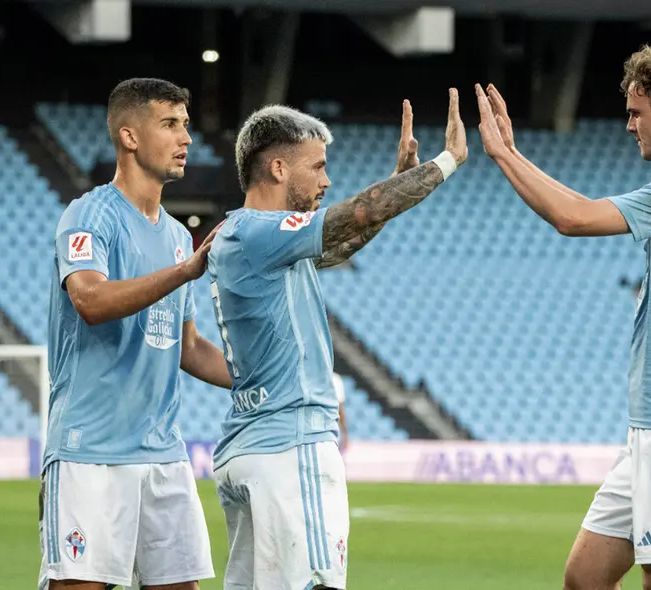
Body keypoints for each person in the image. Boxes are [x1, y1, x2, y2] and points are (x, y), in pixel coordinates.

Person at [475, 44, 651, 589]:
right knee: (585, 577)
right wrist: (514, 155)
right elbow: (576, 211)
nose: (628, 125)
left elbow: (573, 218)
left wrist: (504, 154)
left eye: (636, 111)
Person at [208, 91, 467, 589]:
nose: (327, 180)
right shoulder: (262, 232)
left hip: (250, 448)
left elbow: (345, 239)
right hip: (292, 442)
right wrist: (446, 162)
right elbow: (360, 214)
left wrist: (398, 186)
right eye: (319, 166)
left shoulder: (246, 237)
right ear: (279, 168)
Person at [39, 78, 232, 590]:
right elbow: (90, 300)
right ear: (129, 136)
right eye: (169, 124)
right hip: (91, 452)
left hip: (164, 454)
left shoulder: (173, 234)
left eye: (186, 125)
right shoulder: (89, 214)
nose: (185, 137)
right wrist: (184, 273)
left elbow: (188, 347)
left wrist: (264, 377)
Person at [332, 373, 348, 452]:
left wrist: (345, 435)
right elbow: (340, 410)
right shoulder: (335, 379)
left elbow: (340, 410)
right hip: (332, 433)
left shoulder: (335, 379)